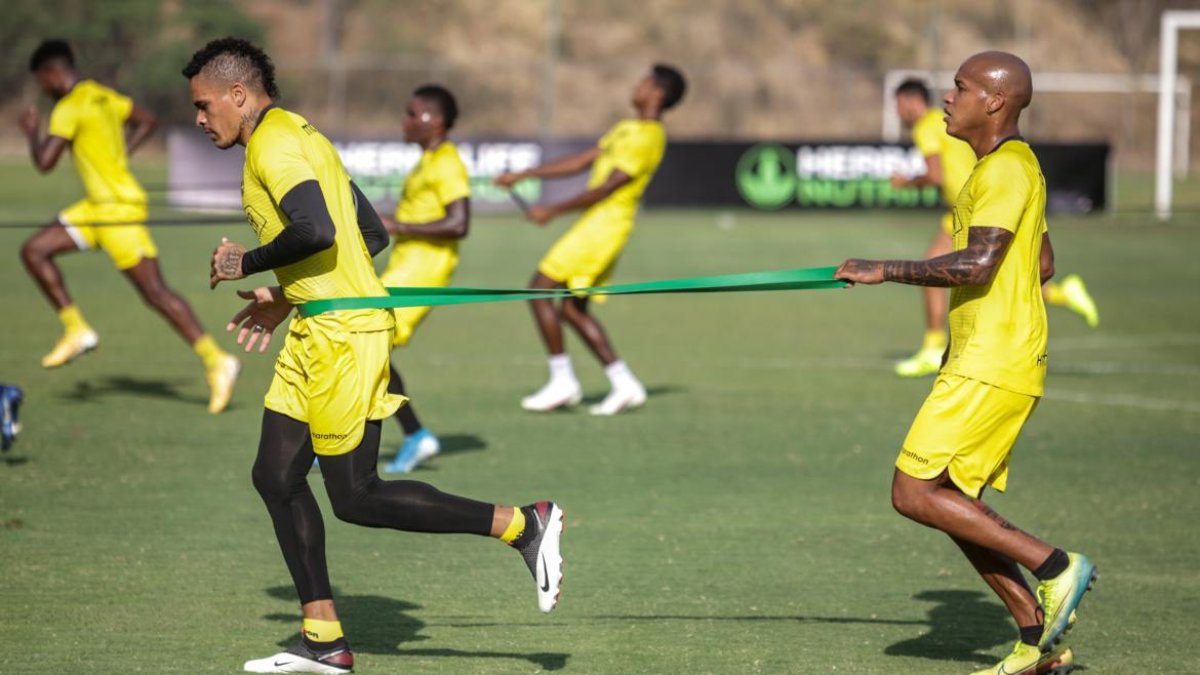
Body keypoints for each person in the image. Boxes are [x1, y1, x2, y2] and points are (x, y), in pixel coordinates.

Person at [184, 38, 563, 674]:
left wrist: (244, 262)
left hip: (345, 336)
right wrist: (288, 295)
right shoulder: (303, 135)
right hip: (317, 327)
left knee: (356, 495)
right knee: (275, 476)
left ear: (238, 95)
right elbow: (373, 234)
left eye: (203, 104)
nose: (199, 118)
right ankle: (324, 642)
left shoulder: (274, 144)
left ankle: (523, 524)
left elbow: (318, 231)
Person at [836, 52, 1095, 675]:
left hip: (994, 360)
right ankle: (1035, 642)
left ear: (995, 101)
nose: (948, 98)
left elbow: (978, 264)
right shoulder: (1010, 167)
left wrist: (883, 268)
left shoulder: (1004, 169)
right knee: (952, 502)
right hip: (993, 356)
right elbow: (1043, 262)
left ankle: (1057, 567)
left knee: (912, 492)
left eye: (960, 87)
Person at [18, 39, 239, 414]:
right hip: (97, 208)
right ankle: (77, 329)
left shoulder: (69, 107)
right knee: (34, 251)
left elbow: (45, 163)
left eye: (42, 81)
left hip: (117, 212)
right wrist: (121, 157)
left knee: (155, 293)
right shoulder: (103, 96)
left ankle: (218, 359)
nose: (43, 89)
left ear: (52, 73)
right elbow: (147, 120)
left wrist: (30, 131)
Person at [494, 64, 686, 416]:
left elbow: (607, 188)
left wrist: (552, 210)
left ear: (658, 93)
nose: (637, 86)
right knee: (571, 308)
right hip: (595, 224)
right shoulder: (628, 128)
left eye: (644, 82)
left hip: (606, 226)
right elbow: (581, 161)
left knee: (539, 290)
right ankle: (624, 383)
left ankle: (562, 380)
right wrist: (525, 174)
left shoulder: (648, 137)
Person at [890, 78, 1100, 378]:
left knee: (942, 269)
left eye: (898, 104)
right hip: (967, 207)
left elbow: (935, 175)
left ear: (912, 101)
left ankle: (935, 346)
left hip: (973, 208)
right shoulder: (944, 120)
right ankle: (1062, 293)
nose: (897, 111)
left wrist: (905, 182)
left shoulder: (926, 127)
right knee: (997, 274)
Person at [377, 85, 471, 473]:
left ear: (436, 121)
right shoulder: (427, 161)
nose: (406, 120)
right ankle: (412, 435)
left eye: (413, 114)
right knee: (363, 346)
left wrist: (398, 225)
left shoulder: (447, 162)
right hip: (406, 265)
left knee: (364, 342)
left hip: (424, 270)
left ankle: (411, 435)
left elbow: (459, 223)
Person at [0, 384, 23, 452]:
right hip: (16, 393)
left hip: (10, 395)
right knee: (11, 417)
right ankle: (10, 435)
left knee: (6, 418)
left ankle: (7, 439)